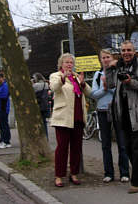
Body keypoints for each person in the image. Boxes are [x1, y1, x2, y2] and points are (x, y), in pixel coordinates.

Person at [105, 40, 138, 194]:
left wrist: (130, 82)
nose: (126, 53)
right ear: (120, 52)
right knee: (128, 148)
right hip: (124, 114)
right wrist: (108, 68)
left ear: (134, 51)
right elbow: (111, 84)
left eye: (129, 50)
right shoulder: (119, 65)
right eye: (123, 50)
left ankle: (137, 181)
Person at [49, 53, 91, 187]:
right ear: (61, 64)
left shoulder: (77, 77)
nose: (69, 65)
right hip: (63, 118)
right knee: (62, 148)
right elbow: (54, 87)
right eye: (66, 62)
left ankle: (74, 173)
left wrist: (83, 82)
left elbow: (89, 92)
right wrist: (63, 77)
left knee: (76, 148)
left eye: (71, 63)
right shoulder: (55, 75)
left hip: (78, 117)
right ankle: (59, 175)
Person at [91, 48, 130, 183]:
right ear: (100, 60)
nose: (106, 60)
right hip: (102, 110)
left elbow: (121, 91)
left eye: (108, 57)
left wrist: (111, 87)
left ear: (112, 58)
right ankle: (108, 173)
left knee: (122, 143)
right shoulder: (97, 75)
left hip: (117, 110)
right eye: (103, 58)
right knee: (105, 144)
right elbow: (94, 94)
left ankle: (124, 172)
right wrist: (105, 89)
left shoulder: (118, 71)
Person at [32, 72, 50, 138]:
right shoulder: (46, 84)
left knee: (38, 122)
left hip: (38, 105)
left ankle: (40, 137)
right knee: (44, 122)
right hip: (45, 105)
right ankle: (46, 137)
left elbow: (32, 92)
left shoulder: (35, 85)